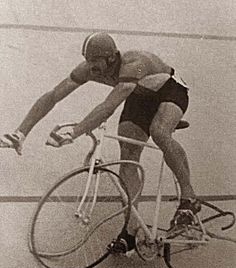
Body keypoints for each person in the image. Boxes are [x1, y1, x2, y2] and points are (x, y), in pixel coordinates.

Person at [0, 32, 201, 252]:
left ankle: (189, 200)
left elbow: (108, 107)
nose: (91, 68)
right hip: (140, 96)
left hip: (170, 90)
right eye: (88, 62)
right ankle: (131, 230)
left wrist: (75, 132)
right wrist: (21, 132)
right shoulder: (88, 68)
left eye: (96, 63)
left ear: (112, 58)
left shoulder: (135, 64)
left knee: (160, 131)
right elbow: (53, 95)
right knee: (128, 155)